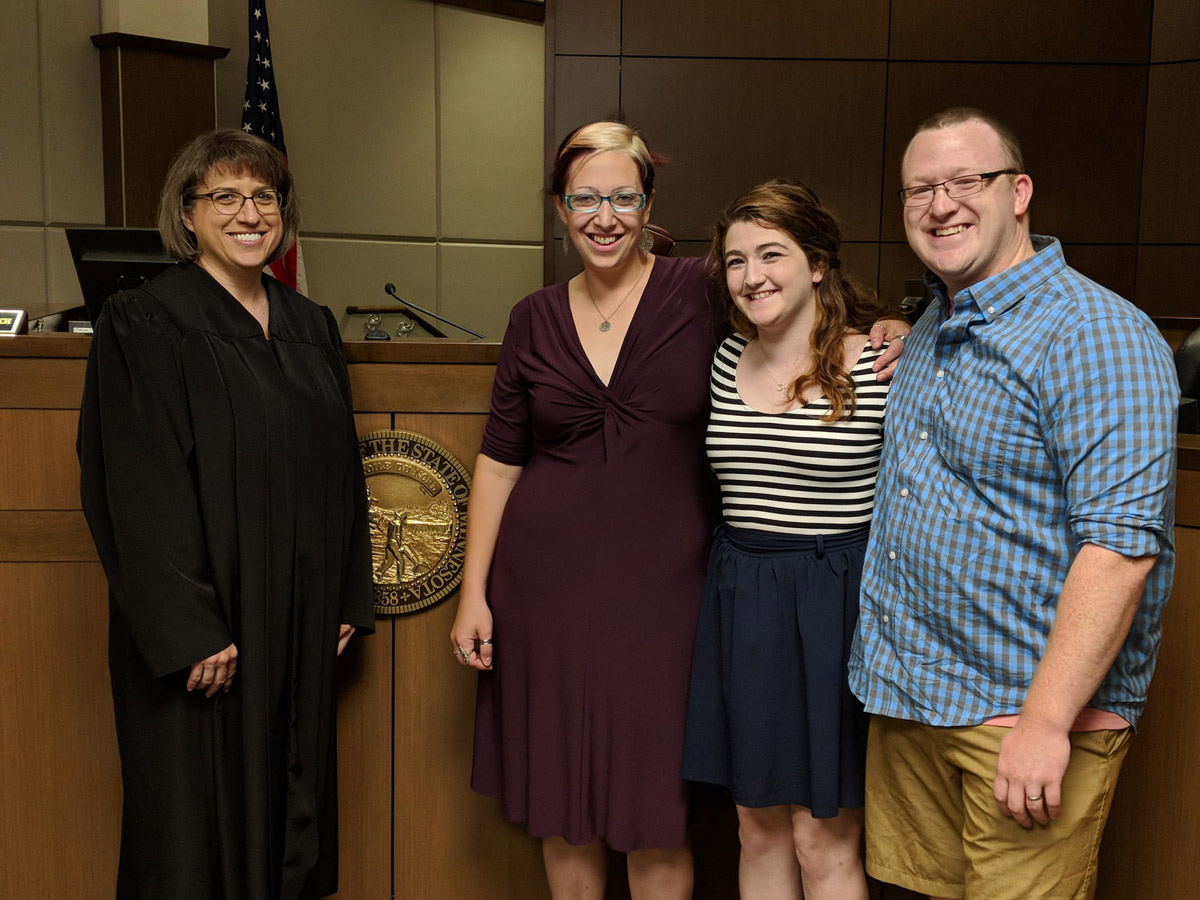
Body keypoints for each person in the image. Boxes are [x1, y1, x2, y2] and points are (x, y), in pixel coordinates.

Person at [449, 122, 908, 900]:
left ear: (649, 205)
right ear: (560, 209)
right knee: (566, 807)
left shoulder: (701, 288)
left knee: (656, 808)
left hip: (675, 599)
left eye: (622, 196)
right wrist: (473, 592)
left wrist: (898, 328)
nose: (604, 215)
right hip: (545, 595)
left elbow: (799, 295)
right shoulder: (532, 317)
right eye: (584, 198)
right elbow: (499, 457)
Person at [847, 107, 1178, 900]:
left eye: (967, 180)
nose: (941, 204)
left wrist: (1045, 723)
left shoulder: (1096, 333)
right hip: (912, 707)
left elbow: (1120, 552)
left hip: (1020, 722)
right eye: (920, 189)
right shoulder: (936, 320)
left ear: (1020, 191)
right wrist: (902, 324)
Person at [78, 129, 375, 900]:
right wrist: (190, 626)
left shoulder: (310, 326)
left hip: (298, 616)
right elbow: (135, 485)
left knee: (290, 802)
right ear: (188, 212)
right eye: (226, 198)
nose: (249, 214)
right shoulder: (145, 320)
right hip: (208, 629)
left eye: (264, 197)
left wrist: (346, 595)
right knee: (191, 821)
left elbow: (342, 472)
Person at [681, 180, 889, 900]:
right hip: (741, 600)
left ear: (819, 264)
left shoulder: (876, 365)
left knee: (821, 835)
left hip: (837, 606)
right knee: (756, 827)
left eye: (772, 254)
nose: (752, 276)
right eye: (735, 261)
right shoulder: (724, 360)